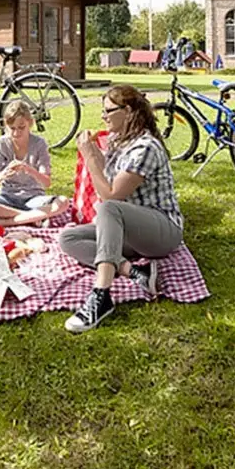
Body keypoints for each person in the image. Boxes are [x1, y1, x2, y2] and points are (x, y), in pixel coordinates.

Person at [59, 85, 184, 334]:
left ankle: (101, 294)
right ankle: (134, 270)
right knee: (68, 238)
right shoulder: (119, 140)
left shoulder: (145, 147)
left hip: (162, 230)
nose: (103, 116)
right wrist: (94, 152)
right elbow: (109, 177)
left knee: (109, 208)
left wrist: (90, 157)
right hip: (131, 230)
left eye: (108, 111)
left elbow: (111, 195)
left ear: (127, 111)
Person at [0, 100, 69, 228]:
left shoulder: (39, 144)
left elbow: (46, 183)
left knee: (63, 202)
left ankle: (8, 221)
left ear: (30, 123)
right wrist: (4, 174)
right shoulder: (2, 143)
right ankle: (31, 218)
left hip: (34, 198)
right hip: (7, 198)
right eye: (12, 128)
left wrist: (29, 170)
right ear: (6, 125)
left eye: (21, 128)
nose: (16, 133)